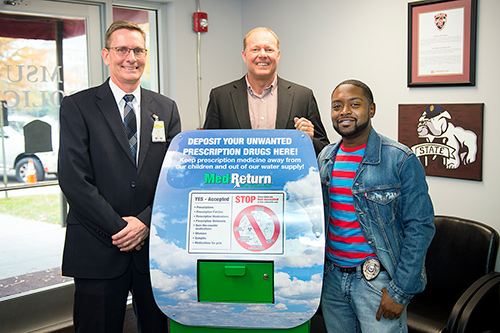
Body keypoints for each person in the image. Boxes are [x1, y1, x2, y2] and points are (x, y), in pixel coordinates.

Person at [58, 20, 181, 332]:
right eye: (122, 49)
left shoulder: (165, 108)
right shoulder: (78, 106)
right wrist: (121, 228)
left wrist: (145, 223)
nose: (131, 57)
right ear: (106, 54)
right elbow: (73, 178)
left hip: (152, 248)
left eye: (138, 50)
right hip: (97, 246)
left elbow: (176, 176)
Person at [318, 79, 435, 332]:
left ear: (371, 109)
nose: (344, 112)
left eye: (354, 104)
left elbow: (421, 227)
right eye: (337, 106)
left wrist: (400, 291)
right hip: (332, 281)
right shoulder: (326, 157)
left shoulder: (399, 159)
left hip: (377, 281)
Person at [203, 27, 329, 155]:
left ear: (278, 55)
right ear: (244, 55)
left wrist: (309, 139)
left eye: (269, 49)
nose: (262, 55)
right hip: (237, 175)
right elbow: (206, 149)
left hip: (286, 175)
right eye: (255, 49)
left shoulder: (303, 97)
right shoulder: (221, 97)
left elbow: (325, 150)